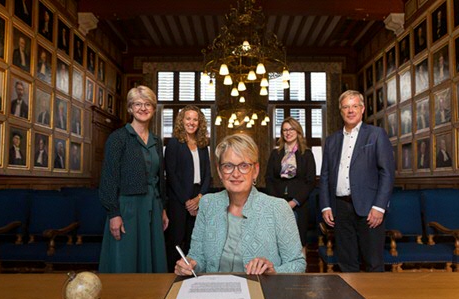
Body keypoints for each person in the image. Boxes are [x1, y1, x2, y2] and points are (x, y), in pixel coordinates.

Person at [175, 133, 306, 276]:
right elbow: (197, 256)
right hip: (214, 292)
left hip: (260, 293)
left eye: (244, 165)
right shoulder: (208, 204)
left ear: (255, 170)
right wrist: (190, 265)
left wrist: (274, 272)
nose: (236, 174)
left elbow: (297, 263)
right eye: (228, 166)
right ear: (219, 171)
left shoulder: (279, 208)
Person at [319, 90, 395, 272]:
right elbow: (325, 175)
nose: (350, 110)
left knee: (373, 262)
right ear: (341, 111)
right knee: (346, 263)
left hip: (369, 209)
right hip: (340, 209)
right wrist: (326, 206)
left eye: (354, 106)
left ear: (362, 110)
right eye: (346, 107)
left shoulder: (376, 135)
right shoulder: (331, 140)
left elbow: (387, 173)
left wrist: (379, 207)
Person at [98, 85, 168, 273]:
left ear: (153, 109)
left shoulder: (156, 140)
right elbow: (108, 179)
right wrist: (114, 213)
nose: (143, 108)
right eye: (138, 104)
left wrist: (162, 209)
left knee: (152, 257)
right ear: (130, 108)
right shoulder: (118, 138)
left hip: (153, 206)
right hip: (127, 208)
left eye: (147, 104)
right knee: (126, 258)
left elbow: (159, 178)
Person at [164, 105, 211, 271]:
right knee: (176, 239)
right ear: (181, 121)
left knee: (195, 239)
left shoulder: (203, 145)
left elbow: (207, 176)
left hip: (198, 196)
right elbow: (171, 176)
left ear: (200, 123)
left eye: (195, 119)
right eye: (188, 118)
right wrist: (187, 201)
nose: (192, 122)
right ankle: (173, 274)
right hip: (179, 199)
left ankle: (192, 272)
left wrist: (199, 198)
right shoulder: (174, 144)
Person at [265, 117, 316, 250]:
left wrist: (294, 202)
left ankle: (299, 270)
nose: (288, 132)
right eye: (284, 130)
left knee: (299, 243)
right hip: (277, 204)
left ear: (298, 131)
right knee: (279, 243)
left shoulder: (307, 154)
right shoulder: (275, 154)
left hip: (299, 205)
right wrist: (278, 202)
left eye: (291, 129)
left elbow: (310, 181)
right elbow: (269, 179)